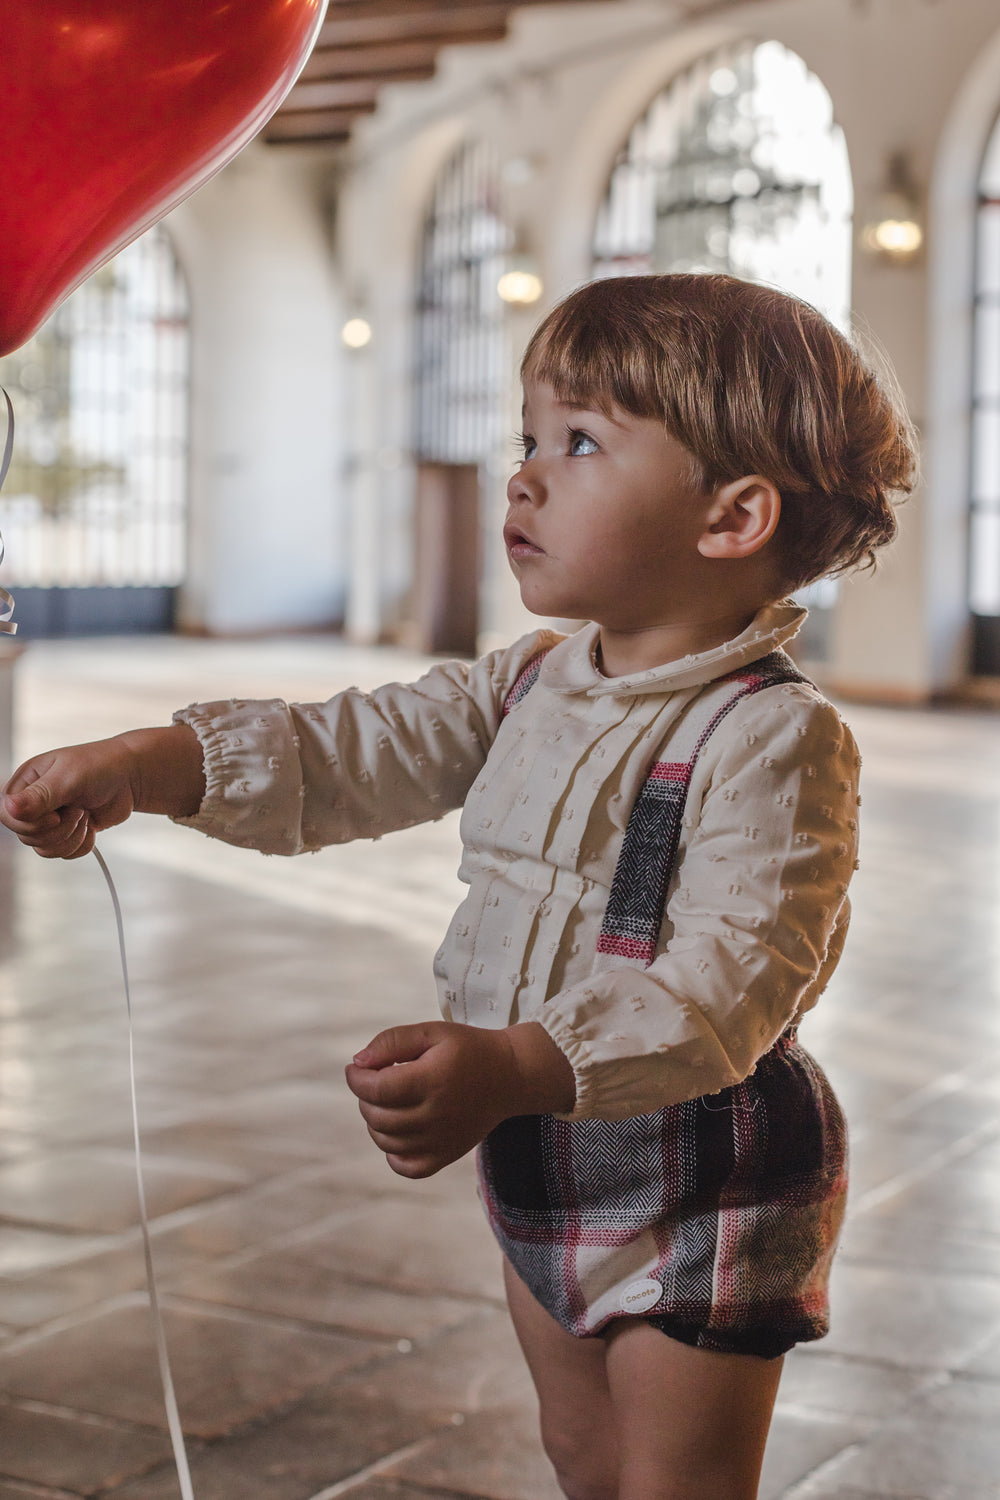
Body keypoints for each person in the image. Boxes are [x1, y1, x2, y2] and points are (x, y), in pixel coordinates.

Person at [0, 275, 915, 1500]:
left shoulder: (772, 738)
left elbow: (732, 980)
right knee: (582, 1453)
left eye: (579, 443)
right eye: (526, 441)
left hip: (706, 1169)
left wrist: (518, 1064)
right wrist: (151, 766)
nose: (523, 478)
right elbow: (348, 751)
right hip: (536, 1143)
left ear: (733, 515)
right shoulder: (526, 683)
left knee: (676, 1480)